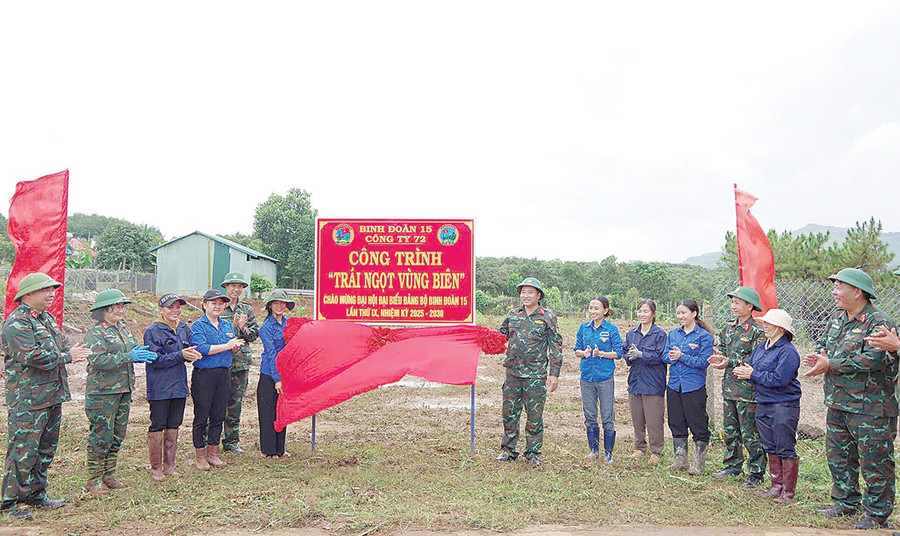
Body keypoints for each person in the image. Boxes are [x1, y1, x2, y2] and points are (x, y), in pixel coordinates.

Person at [804, 268, 896, 530]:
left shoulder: (878, 323)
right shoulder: (836, 319)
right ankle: (846, 501)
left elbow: (873, 359)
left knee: (875, 462)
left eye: (839, 287)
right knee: (839, 456)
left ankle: (877, 513)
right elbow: (822, 343)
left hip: (870, 408)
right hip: (838, 402)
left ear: (857, 291)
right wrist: (818, 356)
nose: (834, 292)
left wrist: (830, 364)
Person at [0, 273, 91, 520]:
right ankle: (10, 502)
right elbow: (34, 357)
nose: (51, 294)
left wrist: (72, 351)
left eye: (53, 289)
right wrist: (68, 356)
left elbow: (62, 344)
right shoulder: (17, 324)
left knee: (45, 449)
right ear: (28, 294)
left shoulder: (46, 319)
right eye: (46, 290)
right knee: (23, 450)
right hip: (28, 400)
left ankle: (36, 495)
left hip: (51, 396)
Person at [84, 289, 150, 493]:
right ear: (104, 309)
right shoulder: (96, 333)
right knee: (102, 435)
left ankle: (109, 475)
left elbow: (133, 349)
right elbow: (97, 360)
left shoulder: (123, 328)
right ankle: (94, 480)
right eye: (116, 306)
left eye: (122, 306)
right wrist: (128, 356)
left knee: (117, 434)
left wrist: (139, 354)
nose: (120, 310)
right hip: (103, 393)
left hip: (124, 389)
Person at [733, 308, 801, 503]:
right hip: (763, 401)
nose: (764, 325)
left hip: (783, 404)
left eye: (768, 323)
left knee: (784, 446)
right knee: (769, 444)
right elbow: (754, 369)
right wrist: (749, 373)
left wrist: (753, 375)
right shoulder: (761, 347)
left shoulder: (788, 351)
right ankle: (776, 485)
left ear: (780, 328)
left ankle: (787, 492)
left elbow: (780, 379)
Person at [496, 277, 563, 468]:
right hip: (513, 373)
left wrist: (554, 373)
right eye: (523, 292)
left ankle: (533, 452)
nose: (525, 296)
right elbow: (500, 336)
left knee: (534, 415)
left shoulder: (547, 317)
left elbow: (555, 345)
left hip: (535, 374)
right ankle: (508, 450)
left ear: (538, 295)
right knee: (509, 413)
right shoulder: (513, 314)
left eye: (530, 292)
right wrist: (480, 337)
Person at [707, 286, 767, 487]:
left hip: (747, 391)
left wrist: (729, 362)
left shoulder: (758, 332)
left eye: (737, 302)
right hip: (730, 388)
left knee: (750, 432)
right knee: (731, 430)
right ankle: (733, 465)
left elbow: (756, 359)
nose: (733, 306)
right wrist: (719, 358)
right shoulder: (728, 328)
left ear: (750, 306)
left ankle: (756, 472)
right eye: (732, 302)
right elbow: (722, 349)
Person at [143, 294, 202, 481]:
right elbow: (155, 360)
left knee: (174, 424)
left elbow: (190, 349)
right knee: (158, 424)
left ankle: (170, 465)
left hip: (178, 384)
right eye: (170, 308)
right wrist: (180, 355)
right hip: (159, 385)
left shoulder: (184, 328)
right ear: (161, 309)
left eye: (178, 307)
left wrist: (192, 354)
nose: (175, 311)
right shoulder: (153, 330)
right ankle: (156, 468)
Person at [190, 289, 245, 470]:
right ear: (204, 305)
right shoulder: (198, 326)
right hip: (204, 375)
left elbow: (230, 348)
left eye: (221, 303)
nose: (217, 306)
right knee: (202, 414)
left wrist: (234, 347)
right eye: (213, 303)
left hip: (223, 374)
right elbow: (203, 348)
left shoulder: (227, 325)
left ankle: (213, 453)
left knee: (219, 414)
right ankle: (200, 455)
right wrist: (227, 346)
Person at [662, 299, 714, 476]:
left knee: (698, 423)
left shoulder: (704, 337)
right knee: (676, 421)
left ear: (694, 313)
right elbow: (665, 356)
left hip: (694, 386)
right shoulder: (673, 334)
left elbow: (703, 362)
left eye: (683, 313)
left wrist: (681, 356)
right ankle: (680, 459)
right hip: (675, 385)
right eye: (678, 313)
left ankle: (698, 463)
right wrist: (671, 357)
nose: (680, 316)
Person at [574, 295, 622, 462]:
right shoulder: (583, 328)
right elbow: (577, 350)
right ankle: (594, 450)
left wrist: (602, 354)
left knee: (607, 415)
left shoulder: (611, 330)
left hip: (605, 378)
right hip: (587, 376)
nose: (593, 311)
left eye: (596, 308)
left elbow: (618, 353)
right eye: (591, 308)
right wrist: (584, 353)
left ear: (605, 310)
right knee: (590, 414)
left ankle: (608, 454)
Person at [218, 272, 260, 454]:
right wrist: (232, 328)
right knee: (216, 402)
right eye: (232, 285)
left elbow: (254, 335)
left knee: (235, 403)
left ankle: (231, 441)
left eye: (239, 286)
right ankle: (209, 440)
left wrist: (242, 328)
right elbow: (213, 332)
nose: (236, 289)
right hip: (220, 361)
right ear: (226, 287)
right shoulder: (218, 306)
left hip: (240, 363)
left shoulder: (247, 309)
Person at [623, 299, 668, 464]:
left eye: (646, 311)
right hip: (635, 381)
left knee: (654, 419)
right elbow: (625, 351)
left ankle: (656, 451)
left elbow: (661, 356)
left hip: (653, 382)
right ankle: (639, 448)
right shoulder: (632, 334)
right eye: (640, 311)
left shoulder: (660, 335)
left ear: (653, 314)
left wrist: (642, 354)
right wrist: (629, 356)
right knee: (637, 418)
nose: (642, 314)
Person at [257, 290, 295, 458]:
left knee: (282, 411)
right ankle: (269, 450)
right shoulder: (266, 328)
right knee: (268, 412)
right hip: (269, 374)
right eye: (276, 303)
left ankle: (280, 448)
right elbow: (271, 354)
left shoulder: (289, 324)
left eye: (282, 303)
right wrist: (277, 379)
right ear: (270, 306)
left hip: (285, 372)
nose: (280, 306)